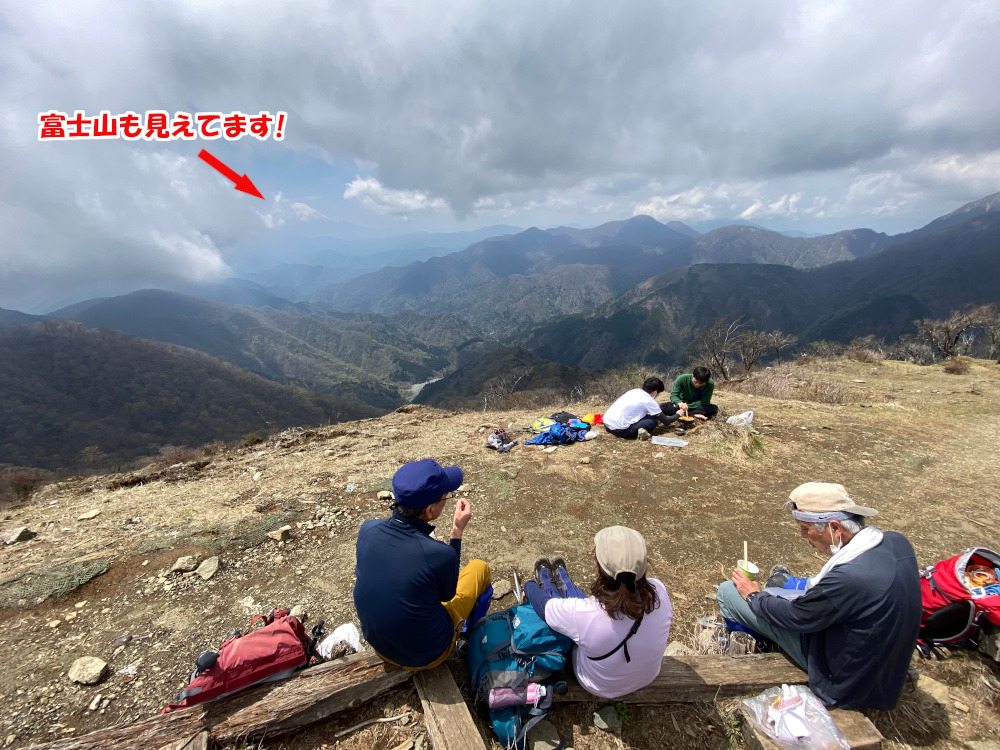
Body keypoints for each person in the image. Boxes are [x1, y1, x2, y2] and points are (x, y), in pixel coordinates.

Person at [716, 482, 921, 710]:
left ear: (835, 528)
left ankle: (760, 649)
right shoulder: (895, 542)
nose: (802, 535)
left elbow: (797, 616)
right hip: (884, 670)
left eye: (806, 528)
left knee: (728, 592)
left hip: (843, 681)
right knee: (789, 589)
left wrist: (754, 596)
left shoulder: (850, 578)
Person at [353, 458, 491, 670]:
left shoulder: (368, 530)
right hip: (427, 655)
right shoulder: (440, 553)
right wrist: (457, 531)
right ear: (429, 511)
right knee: (480, 568)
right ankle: (468, 634)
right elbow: (447, 595)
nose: (446, 499)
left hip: (379, 645)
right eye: (445, 496)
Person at [523, 526, 673, 699]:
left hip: (598, 684)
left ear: (598, 566)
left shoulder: (587, 613)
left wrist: (529, 585)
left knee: (565, 614)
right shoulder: (659, 591)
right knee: (576, 610)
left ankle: (548, 582)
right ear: (645, 566)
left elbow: (545, 607)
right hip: (646, 677)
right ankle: (564, 581)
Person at [603, 377, 678, 440]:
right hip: (619, 430)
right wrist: (679, 414)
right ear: (655, 392)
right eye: (658, 393)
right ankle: (637, 432)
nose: (658, 395)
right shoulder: (649, 400)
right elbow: (666, 421)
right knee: (653, 421)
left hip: (607, 424)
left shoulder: (634, 391)